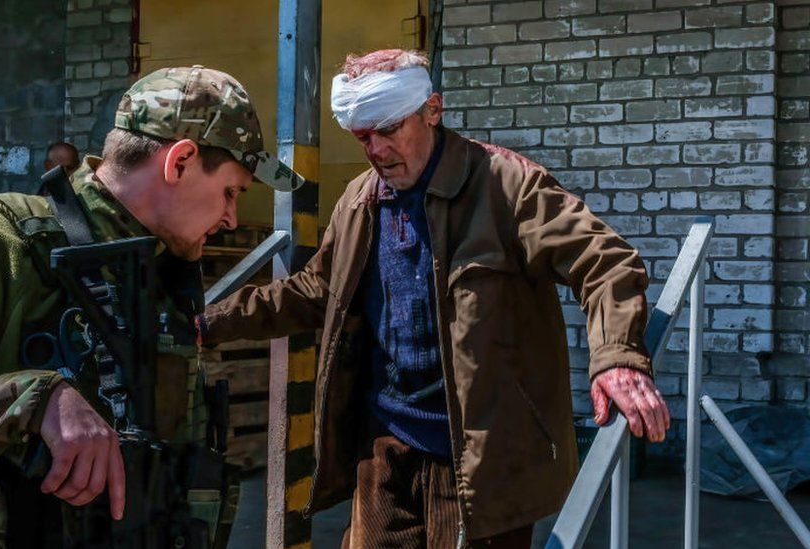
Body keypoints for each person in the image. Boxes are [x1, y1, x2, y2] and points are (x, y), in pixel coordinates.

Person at [200, 49, 670, 548]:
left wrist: (618, 357)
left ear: (432, 111)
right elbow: (317, 288)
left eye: (389, 129)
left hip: (477, 461)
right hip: (383, 448)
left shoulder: (506, 185)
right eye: (363, 137)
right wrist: (211, 321)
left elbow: (603, 260)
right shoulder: (360, 200)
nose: (377, 150)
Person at [0, 66, 302, 548]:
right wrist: (31, 401)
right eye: (231, 192)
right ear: (179, 162)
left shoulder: (155, 272)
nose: (231, 218)